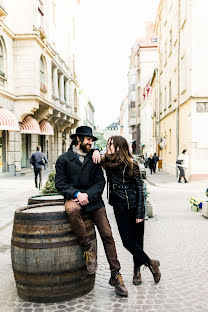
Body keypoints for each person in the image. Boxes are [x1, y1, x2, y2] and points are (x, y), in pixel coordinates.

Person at [55, 126, 128, 297]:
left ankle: (116, 276)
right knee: (72, 210)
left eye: (92, 141)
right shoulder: (63, 159)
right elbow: (60, 183)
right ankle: (88, 250)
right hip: (73, 199)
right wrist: (76, 194)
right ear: (78, 140)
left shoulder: (94, 158)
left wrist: (87, 195)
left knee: (108, 235)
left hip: (94, 201)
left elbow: (100, 183)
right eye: (88, 139)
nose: (90, 142)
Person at [102, 136, 161, 286]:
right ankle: (151, 263)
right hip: (119, 207)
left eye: (111, 145)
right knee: (127, 242)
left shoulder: (132, 164)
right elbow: (95, 157)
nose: (108, 147)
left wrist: (140, 212)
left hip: (134, 206)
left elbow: (140, 189)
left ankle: (137, 270)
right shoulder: (107, 162)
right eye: (107, 144)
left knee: (137, 241)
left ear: (119, 147)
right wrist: (94, 153)